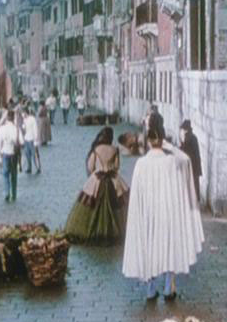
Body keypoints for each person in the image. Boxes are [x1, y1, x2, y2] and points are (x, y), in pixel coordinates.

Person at [122, 126, 204, 301]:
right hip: (166, 214)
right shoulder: (170, 162)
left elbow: (136, 193)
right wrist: (171, 147)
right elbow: (186, 160)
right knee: (168, 247)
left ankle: (150, 289)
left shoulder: (141, 164)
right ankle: (168, 287)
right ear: (162, 141)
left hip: (148, 214)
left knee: (149, 248)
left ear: (148, 142)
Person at [65, 127, 129, 245]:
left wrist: (96, 171)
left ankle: (93, 230)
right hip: (113, 180)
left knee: (91, 205)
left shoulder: (96, 149)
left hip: (97, 179)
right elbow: (116, 166)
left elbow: (90, 167)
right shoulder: (115, 149)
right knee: (118, 205)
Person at [0, 109, 23, 202]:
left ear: (7, 118)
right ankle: (14, 194)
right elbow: (22, 142)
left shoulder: (2, 129)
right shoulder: (16, 129)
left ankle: (7, 193)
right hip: (14, 154)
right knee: (14, 175)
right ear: (13, 118)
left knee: (5, 174)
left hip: (5, 154)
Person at [179, 120, 202, 203]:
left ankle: (193, 201)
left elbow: (185, 151)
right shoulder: (192, 137)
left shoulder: (188, 138)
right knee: (194, 183)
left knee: (193, 184)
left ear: (185, 130)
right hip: (194, 165)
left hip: (191, 165)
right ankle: (195, 200)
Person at [21, 106, 41, 174]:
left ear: (26, 112)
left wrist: (36, 139)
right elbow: (23, 129)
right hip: (26, 139)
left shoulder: (32, 119)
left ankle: (38, 167)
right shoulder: (24, 120)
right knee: (27, 154)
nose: (22, 114)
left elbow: (35, 129)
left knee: (34, 154)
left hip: (32, 139)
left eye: (23, 113)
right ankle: (29, 167)